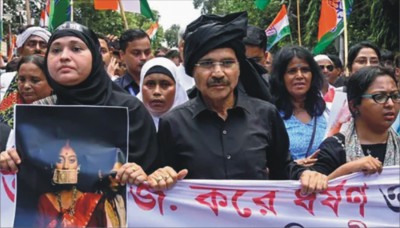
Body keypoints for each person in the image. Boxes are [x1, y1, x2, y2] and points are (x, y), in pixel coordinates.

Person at [147, 12, 327, 194]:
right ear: (192, 71)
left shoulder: (266, 114)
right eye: (207, 63)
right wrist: (160, 176)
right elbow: (162, 178)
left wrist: (306, 175)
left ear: (239, 68)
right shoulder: (173, 123)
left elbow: (283, 168)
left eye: (227, 63)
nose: (218, 73)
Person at [0, 22, 157, 186]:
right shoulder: (35, 114)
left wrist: (142, 175)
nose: (64, 56)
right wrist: (8, 162)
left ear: (95, 57)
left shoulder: (130, 111)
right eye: (56, 50)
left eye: (76, 49)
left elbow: (154, 182)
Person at [311, 66, 399, 180]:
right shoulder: (334, 148)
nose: (391, 104)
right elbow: (312, 192)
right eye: (379, 97)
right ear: (354, 105)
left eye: (395, 96)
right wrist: (348, 170)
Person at [269, 46, 327, 162]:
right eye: (292, 71)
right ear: (280, 77)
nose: (300, 76)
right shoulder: (269, 114)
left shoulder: (326, 111)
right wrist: (295, 166)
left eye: (305, 70)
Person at [37, 141, 106, 227]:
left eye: (72, 160)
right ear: (53, 164)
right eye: (60, 160)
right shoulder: (45, 201)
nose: (66, 166)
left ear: (78, 166)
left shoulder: (93, 201)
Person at [0, 26, 51, 126]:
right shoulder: (6, 89)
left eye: (43, 44)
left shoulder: (64, 102)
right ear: (20, 50)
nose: (37, 49)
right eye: (31, 44)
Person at [136, 57, 188, 130]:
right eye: (150, 84)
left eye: (165, 84)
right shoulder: (130, 123)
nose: (157, 92)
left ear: (177, 88)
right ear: (141, 86)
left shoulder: (190, 126)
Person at [1, 55, 52, 127]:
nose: (26, 86)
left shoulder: (63, 115)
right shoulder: (7, 112)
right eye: (22, 79)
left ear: (51, 82)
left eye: (35, 80)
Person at [114, 29, 152, 96]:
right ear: (122, 55)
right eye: (136, 53)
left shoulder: (163, 86)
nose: (143, 58)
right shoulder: (114, 90)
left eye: (147, 52)